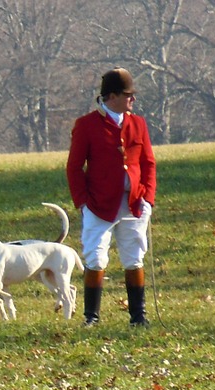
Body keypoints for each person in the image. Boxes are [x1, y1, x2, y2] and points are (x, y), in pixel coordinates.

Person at [66, 67, 156, 328]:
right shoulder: (86, 125)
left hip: (134, 203)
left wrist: (148, 198)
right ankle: (91, 317)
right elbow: (74, 168)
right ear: (112, 96)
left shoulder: (138, 123)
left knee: (134, 257)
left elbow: (148, 163)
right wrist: (82, 202)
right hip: (99, 204)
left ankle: (138, 316)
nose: (133, 100)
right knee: (95, 257)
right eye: (129, 95)